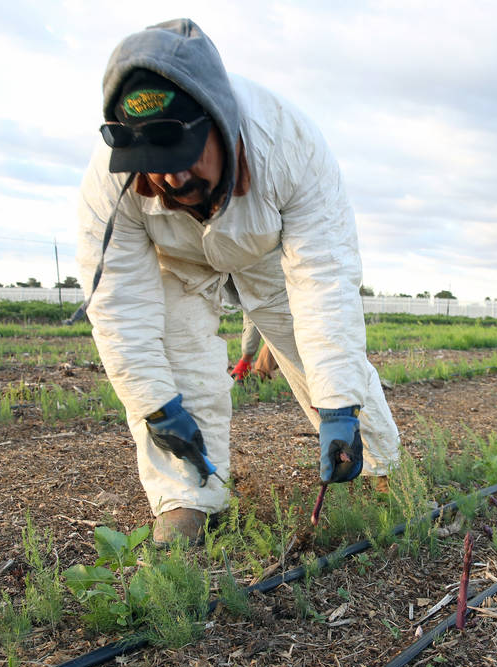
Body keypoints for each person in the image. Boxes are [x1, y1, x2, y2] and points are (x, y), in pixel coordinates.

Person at [76, 18, 400, 545]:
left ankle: (379, 467)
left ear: (220, 124)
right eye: (155, 167)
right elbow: (117, 302)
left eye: (182, 158)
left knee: (318, 355)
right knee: (178, 365)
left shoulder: (290, 146)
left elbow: (325, 281)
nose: (173, 180)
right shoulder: (109, 181)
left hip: (265, 248)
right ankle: (189, 498)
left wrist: (337, 404)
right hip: (176, 259)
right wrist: (156, 403)